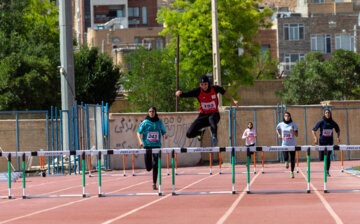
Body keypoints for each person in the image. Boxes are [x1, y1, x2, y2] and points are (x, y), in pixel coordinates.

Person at [175, 75, 238, 146]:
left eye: (205, 84)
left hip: (214, 114)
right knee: (189, 134)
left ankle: (214, 137)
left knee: (211, 118)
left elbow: (224, 92)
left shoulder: (215, 88)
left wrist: (233, 100)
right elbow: (187, 94)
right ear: (200, 85)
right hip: (203, 116)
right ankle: (200, 133)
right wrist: (180, 94)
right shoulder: (198, 91)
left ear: (208, 83)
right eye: (202, 85)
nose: (204, 86)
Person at [137, 106, 167, 190]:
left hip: (156, 145)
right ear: (148, 112)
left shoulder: (159, 122)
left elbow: (163, 131)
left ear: (155, 112)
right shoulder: (145, 122)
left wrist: (165, 135)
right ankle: (149, 168)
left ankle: (154, 183)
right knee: (148, 168)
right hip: (147, 146)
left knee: (155, 164)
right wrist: (140, 141)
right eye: (150, 111)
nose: (151, 113)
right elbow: (138, 132)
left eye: (153, 111)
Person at [312, 109, 340, 177]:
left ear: (330, 114)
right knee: (321, 158)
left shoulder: (332, 122)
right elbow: (313, 130)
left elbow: (338, 130)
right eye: (326, 113)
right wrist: (315, 138)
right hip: (322, 142)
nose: (327, 114)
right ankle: (325, 165)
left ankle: (327, 171)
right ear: (324, 114)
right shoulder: (321, 122)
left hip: (329, 142)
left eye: (328, 113)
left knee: (327, 157)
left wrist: (338, 137)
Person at [276, 112, 298, 178]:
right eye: (285, 116)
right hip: (284, 144)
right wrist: (279, 134)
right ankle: (286, 161)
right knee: (286, 157)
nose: (287, 117)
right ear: (284, 117)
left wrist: (293, 130)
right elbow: (277, 128)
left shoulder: (293, 124)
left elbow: (296, 135)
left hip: (292, 144)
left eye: (288, 116)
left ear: (290, 117)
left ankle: (292, 172)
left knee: (292, 159)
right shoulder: (281, 124)